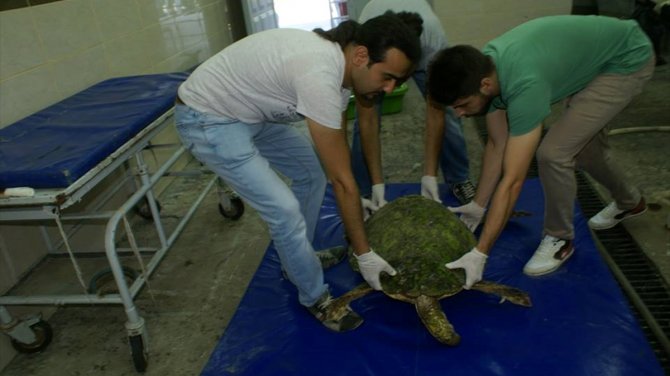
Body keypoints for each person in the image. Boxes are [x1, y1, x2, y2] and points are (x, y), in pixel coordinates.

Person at [174, 14, 421, 331]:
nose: (388, 89)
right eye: (387, 77)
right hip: (207, 117)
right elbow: (343, 182)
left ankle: (297, 261)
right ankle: (315, 297)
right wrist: (364, 252)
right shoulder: (319, 72)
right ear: (361, 55)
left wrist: (360, 191)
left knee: (311, 174)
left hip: (248, 112)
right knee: (284, 211)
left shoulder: (341, 73)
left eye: (396, 83)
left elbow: (337, 151)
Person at [426, 15, 654, 288]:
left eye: (462, 105)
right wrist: (478, 205)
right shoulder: (484, 69)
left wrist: (480, 252)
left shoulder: (524, 87)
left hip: (625, 61)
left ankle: (560, 238)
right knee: (585, 150)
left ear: (485, 86)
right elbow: (497, 144)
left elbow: (512, 181)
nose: (459, 114)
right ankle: (630, 201)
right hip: (597, 56)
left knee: (554, 153)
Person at [350, 0, 475, 213]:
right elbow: (367, 118)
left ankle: (459, 179)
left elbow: (435, 111)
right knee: (362, 128)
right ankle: (364, 189)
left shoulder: (432, 36)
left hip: (427, 54)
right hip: (382, 52)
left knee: (447, 112)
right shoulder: (370, 37)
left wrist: (429, 174)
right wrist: (378, 182)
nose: (394, 85)